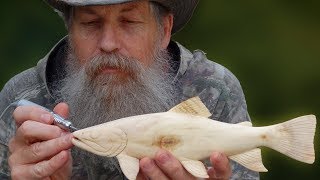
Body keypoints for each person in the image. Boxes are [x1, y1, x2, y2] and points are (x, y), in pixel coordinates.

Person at [0, 0, 259, 179]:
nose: (109, 44)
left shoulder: (213, 90)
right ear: (70, 30)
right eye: (91, 23)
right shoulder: (22, 103)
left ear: (164, 30)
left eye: (129, 21)